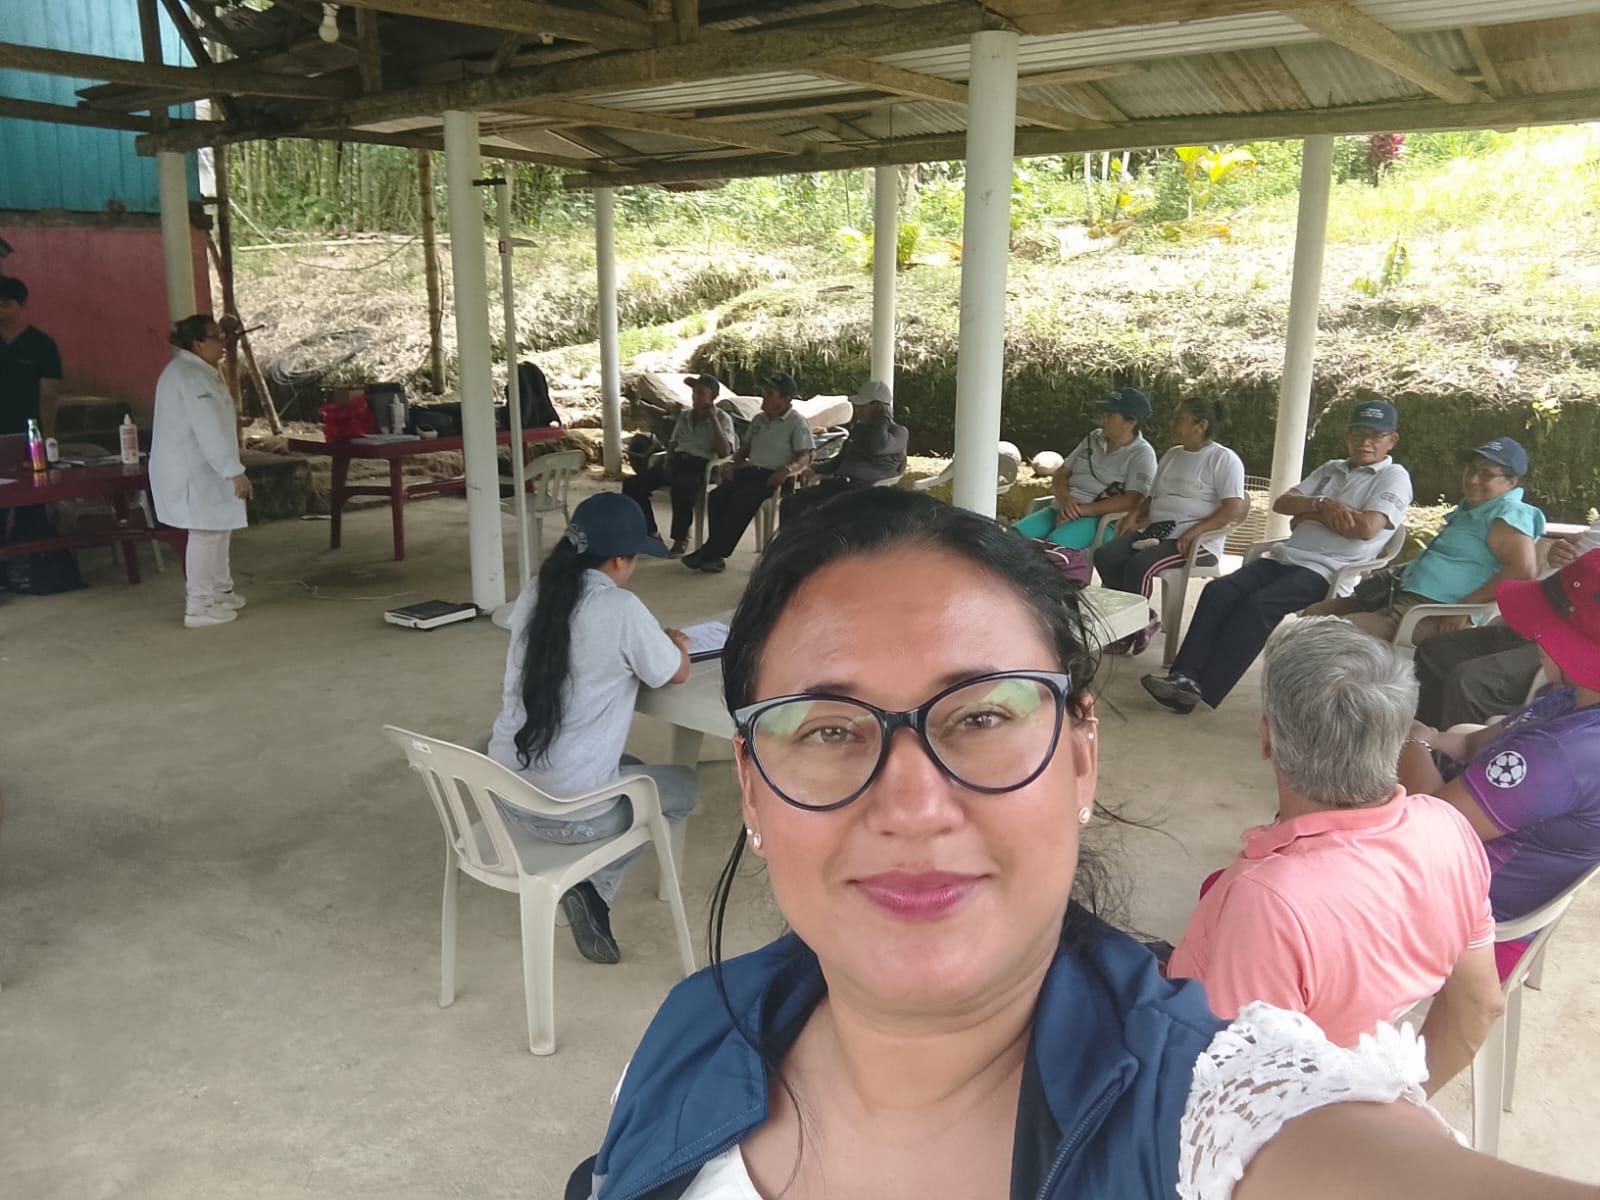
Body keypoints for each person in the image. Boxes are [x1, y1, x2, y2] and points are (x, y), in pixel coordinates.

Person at [566, 490, 1600, 1200]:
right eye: (829, 731)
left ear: (1080, 760)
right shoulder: (692, 1031)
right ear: (753, 784)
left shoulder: (1218, 1121)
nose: (913, 807)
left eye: (983, 715)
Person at [1168, 619, 1502, 1093]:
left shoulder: (1268, 900)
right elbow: (1481, 1003)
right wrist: (1405, 1099)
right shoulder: (1447, 827)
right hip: (1349, 1068)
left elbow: (1234, 1090)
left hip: (1200, 1062)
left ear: (1267, 738)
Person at [487, 492, 698, 965]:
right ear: (621, 559)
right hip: (568, 817)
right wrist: (674, 643)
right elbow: (676, 673)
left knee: (633, 766)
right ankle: (592, 887)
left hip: (504, 796)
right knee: (683, 786)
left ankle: (587, 889)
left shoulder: (537, 592)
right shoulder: (621, 608)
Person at [1399, 549, 1600, 979]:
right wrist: (1431, 739)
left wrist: (1410, 740)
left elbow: (1431, 828)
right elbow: (1474, 743)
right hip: (1466, 877)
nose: (1536, 638)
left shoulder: (1562, 753)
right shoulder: (1572, 700)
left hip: (1461, 921)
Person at [1142, 398, 1413, 714]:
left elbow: (1366, 528)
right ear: (1347, 436)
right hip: (1285, 557)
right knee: (1218, 591)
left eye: (1376, 435)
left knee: (1258, 605)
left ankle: (1202, 689)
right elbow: (1283, 503)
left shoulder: (1393, 476)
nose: (1365, 441)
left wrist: (1309, 514)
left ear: (1392, 440)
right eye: (1359, 432)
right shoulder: (1331, 469)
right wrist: (1321, 505)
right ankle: (1184, 677)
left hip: (1326, 570)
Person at [1305, 437, 1542, 643]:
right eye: (1471, 470)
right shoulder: (1474, 508)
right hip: (1397, 595)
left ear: (1511, 481)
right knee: (1312, 614)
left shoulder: (1509, 513)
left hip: (1431, 612)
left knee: (1327, 635)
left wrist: (1464, 607)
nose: (1473, 480)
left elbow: (1523, 571)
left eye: (1486, 474)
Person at [1415, 521, 1600, 727]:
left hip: (1571, 639)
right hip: (1531, 616)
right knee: (1435, 650)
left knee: (1471, 682)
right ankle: (1425, 735)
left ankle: (1476, 744)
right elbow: (1579, 561)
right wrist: (1559, 557)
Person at [149, 315, 253, 629]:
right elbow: (208, 429)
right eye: (215, 337)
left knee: (219, 529)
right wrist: (234, 471)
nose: (223, 343)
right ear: (197, 344)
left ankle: (221, 591)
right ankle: (199, 605)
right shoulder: (190, 376)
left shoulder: (196, 371)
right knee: (205, 533)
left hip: (203, 468)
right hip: (193, 470)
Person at [1092, 394, 1247, 602]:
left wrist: (1194, 533)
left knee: (1139, 565)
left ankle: (1138, 620)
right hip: (1156, 532)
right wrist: (1134, 514)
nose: (1171, 423)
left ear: (1201, 426)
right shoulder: (1172, 455)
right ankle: (1129, 612)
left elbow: (1233, 509)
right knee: (1105, 555)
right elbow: (1152, 497)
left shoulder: (1223, 459)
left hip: (1197, 542)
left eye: (1179, 419)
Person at [682, 372, 812, 574]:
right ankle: (713, 555)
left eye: (770, 393)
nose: (764, 396)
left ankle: (711, 552)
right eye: (764, 392)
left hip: (775, 476)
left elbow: (805, 456)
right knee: (717, 496)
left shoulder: (796, 422)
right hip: (751, 471)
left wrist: (787, 470)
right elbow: (743, 451)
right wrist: (731, 464)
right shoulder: (758, 419)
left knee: (743, 499)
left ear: (785, 399)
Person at [1012, 386, 1158, 549]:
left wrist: (1081, 510)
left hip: (1097, 518)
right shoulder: (1093, 438)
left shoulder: (1142, 454)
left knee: (1056, 546)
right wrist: (1066, 500)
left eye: (1110, 415)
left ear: (1130, 423)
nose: (1104, 419)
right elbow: (1062, 473)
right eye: (1105, 413)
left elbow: (1132, 500)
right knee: (1010, 537)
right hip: (1062, 507)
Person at [621, 372, 734, 556]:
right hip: (677, 460)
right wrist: (668, 460)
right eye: (694, 392)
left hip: (701, 465)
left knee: (682, 487)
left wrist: (713, 419)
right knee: (632, 485)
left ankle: (681, 538)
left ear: (713, 396)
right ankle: (650, 533)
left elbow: (725, 453)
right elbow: (673, 443)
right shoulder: (685, 416)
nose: (695, 397)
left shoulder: (723, 419)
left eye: (701, 393)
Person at [778, 378, 908, 525]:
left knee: (822, 515)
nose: (858, 409)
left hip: (864, 491)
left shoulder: (898, 432)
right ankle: (790, 540)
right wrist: (815, 469)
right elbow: (839, 460)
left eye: (863, 406)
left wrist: (883, 419)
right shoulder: (859, 430)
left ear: (878, 407)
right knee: (790, 504)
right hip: (838, 485)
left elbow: (877, 446)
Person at [0, 276, 62, 437]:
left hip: (27, 431)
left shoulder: (42, 345)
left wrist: (48, 434)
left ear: (22, 305)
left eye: (5, 306)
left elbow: (48, 394)